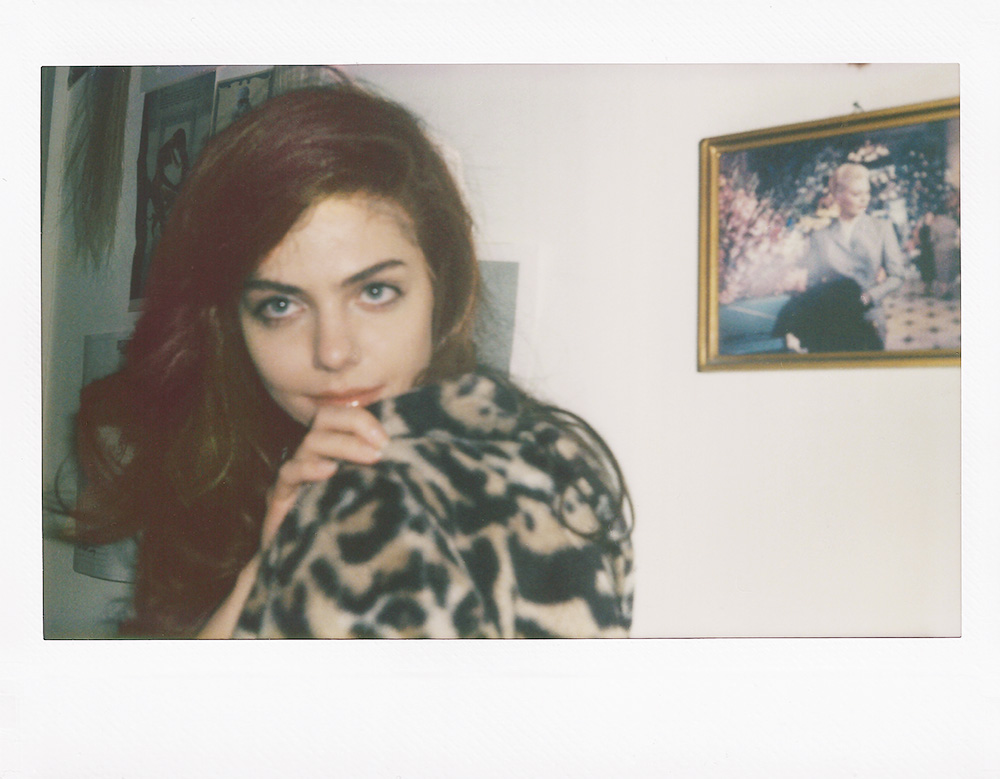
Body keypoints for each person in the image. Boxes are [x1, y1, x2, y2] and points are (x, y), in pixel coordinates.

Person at [70, 83, 634, 639]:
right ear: (230, 323)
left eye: (375, 292)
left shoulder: (528, 480)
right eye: (281, 305)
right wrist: (268, 568)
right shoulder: (239, 471)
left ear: (440, 288)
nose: (333, 352)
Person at [800, 162, 907, 347]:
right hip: (832, 321)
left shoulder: (882, 228)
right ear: (838, 196)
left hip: (869, 319)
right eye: (856, 194)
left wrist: (869, 296)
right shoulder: (820, 236)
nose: (864, 200)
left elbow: (897, 276)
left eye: (867, 193)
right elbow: (812, 283)